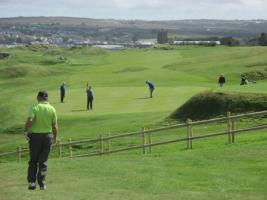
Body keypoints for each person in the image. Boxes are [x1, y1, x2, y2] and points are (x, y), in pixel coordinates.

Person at [24, 91, 58, 190]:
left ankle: (32, 183)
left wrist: (25, 130)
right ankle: (42, 184)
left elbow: (30, 120)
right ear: (47, 98)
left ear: (38, 97)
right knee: (43, 161)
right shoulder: (52, 109)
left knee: (33, 161)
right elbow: (55, 126)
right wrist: (55, 138)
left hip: (35, 137)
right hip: (48, 137)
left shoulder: (35, 107)